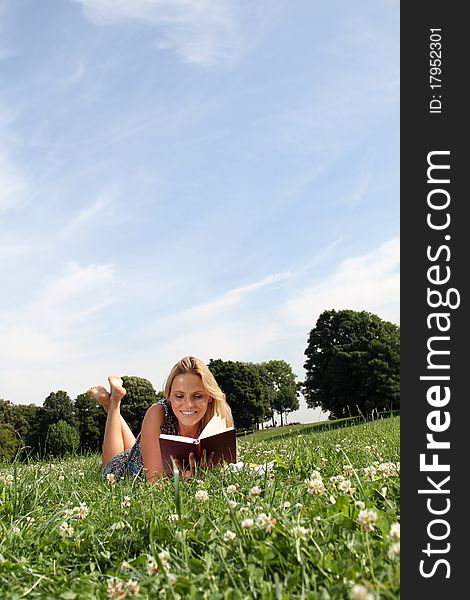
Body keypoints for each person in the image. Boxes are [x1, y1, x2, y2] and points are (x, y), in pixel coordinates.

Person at [87, 356, 234, 483]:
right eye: (179, 396)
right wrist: (183, 483)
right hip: (127, 470)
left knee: (133, 447)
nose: (188, 404)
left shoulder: (219, 417)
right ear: (169, 395)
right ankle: (113, 404)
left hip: (140, 451)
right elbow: (155, 484)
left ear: (209, 396)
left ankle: (109, 402)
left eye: (197, 396)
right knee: (108, 468)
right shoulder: (157, 412)